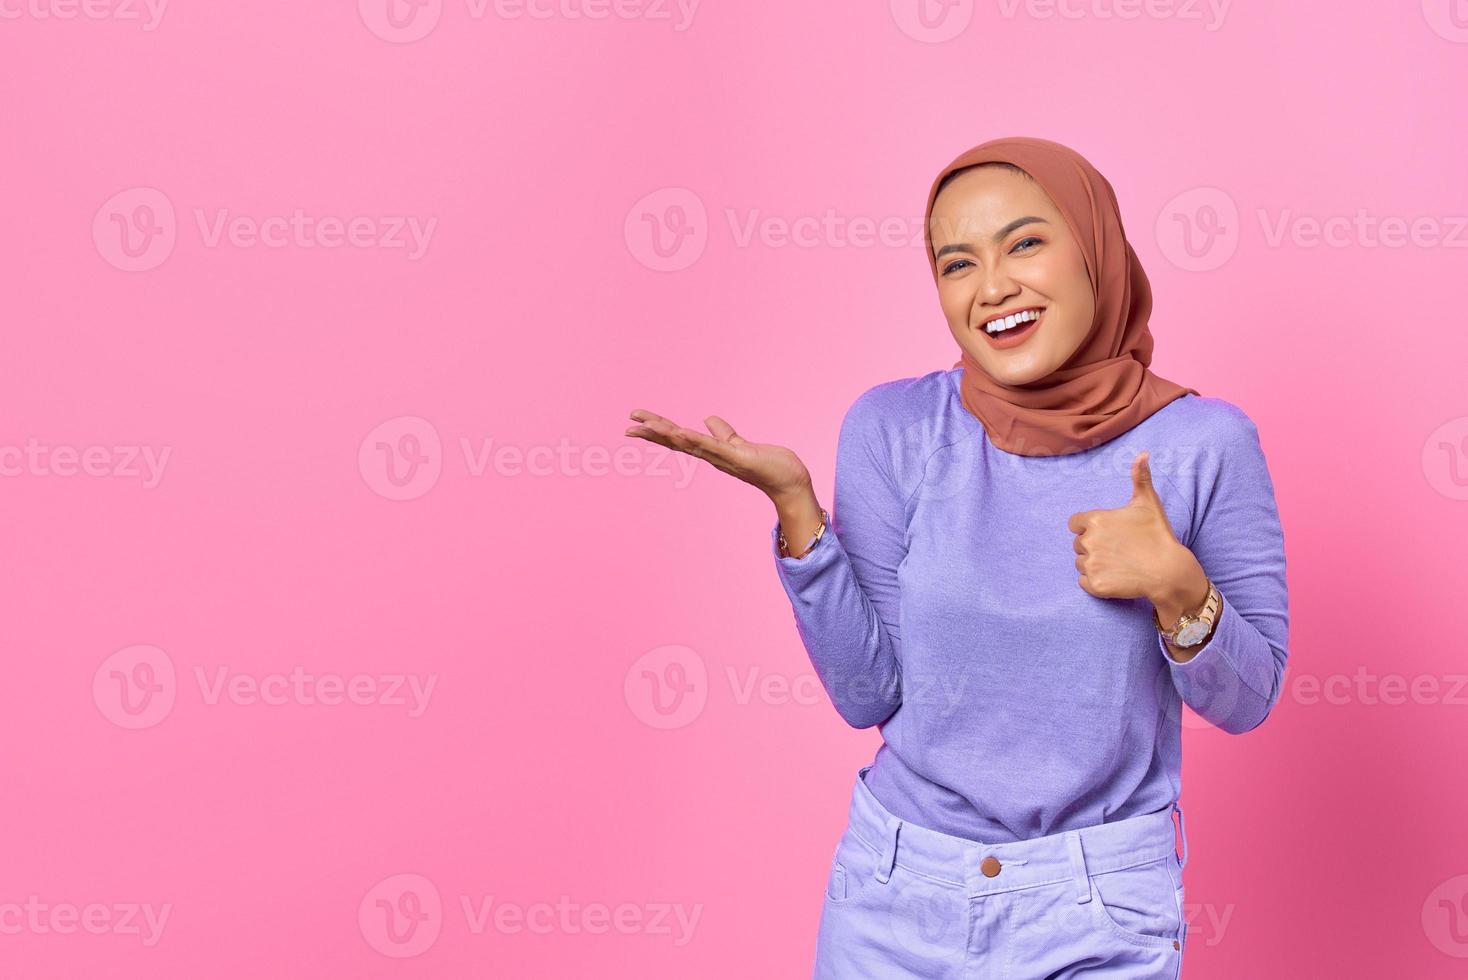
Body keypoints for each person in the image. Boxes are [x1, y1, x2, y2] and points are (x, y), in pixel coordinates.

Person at [624, 136, 1289, 978]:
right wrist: (799, 514)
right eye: (957, 263)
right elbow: (868, 694)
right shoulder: (894, 428)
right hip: (896, 895)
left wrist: (1180, 592)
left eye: (1025, 244)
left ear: (1096, 252)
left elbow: (1249, 700)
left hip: (1096, 907)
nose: (994, 287)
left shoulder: (1204, 443)